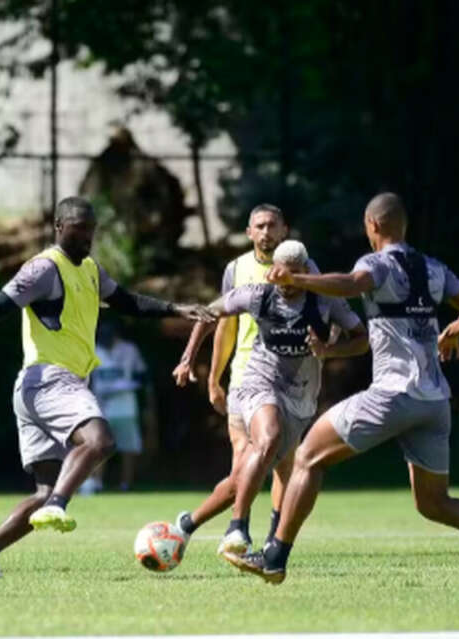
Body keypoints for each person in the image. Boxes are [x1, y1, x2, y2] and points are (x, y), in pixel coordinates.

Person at [235, 192, 459, 585]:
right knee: (434, 502)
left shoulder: (376, 263)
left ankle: (275, 557)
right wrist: (453, 330)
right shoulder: (433, 268)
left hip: (393, 395)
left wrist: (296, 278)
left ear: (373, 226)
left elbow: (351, 283)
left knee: (309, 455)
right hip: (434, 400)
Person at [0, 196, 215, 579]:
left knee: (41, 492)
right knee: (100, 441)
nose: (87, 236)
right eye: (79, 228)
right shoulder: (42, 270)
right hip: (50, 379)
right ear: (58, 226)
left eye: (91, 229)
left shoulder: (90, 270)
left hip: (43, 389)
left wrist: (174, 308)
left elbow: (126, 302)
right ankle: (61, 503)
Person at [202, 240, 368, 571]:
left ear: (307, 271)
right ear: (273, 272)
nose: (289, 280)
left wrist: (328, 352)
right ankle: (237, 528)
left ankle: (194, 526)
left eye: (297, 274)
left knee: (281, 465)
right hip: (256, 383)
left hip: (301, 396)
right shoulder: (256, 293)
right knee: (266, 439)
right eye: (283, 273)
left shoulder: (325, 301)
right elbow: (209, 313)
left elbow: (362, 340)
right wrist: (193, 359)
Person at [171, 204, 296, 554]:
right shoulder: (237, 270)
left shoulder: (301, 266)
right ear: (249, 232)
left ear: (285, 229)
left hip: (290, 377)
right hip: (246, 375)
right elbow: (223, 323)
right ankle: (231, 528)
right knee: (244, 458)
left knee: (286, 464)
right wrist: (213, 376)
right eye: (259, 226)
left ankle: (272, 539)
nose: (266, 232)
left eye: (273, 225)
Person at [82, 318, 154, 493]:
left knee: (128, 447)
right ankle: (97, 483)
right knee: (99, 444)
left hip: (126, 405)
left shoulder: (129, 350)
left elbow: (143, 376)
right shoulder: (95, 350)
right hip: (101, 406)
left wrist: (148, 405)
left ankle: (125, 484)